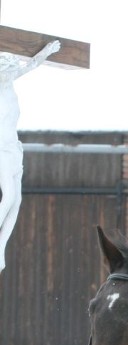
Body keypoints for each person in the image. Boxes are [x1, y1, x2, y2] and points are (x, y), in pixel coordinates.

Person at [0, 40, 60, 273]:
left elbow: (32, 64)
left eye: (11, 65)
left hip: (15, 149)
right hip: (1, 151)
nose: (11, 69)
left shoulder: (10, 82)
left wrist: (48, 51)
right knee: (9, 195)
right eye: (6, 65)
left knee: (17, 201)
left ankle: (1, 248)